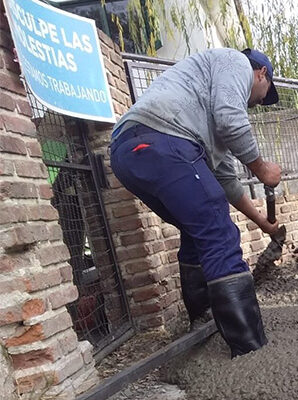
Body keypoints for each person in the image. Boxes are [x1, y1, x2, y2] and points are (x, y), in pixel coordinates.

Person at [110, 48, 282, 357]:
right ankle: (250, 348)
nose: (256, 103)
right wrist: (262, 168)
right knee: (218, 232)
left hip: (127, 153)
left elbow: (227, 183)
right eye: (262, 95)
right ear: (261, 74)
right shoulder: (235, 62)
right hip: (164, 139)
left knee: (198, 228)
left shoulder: (208, 111)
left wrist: (262, 222)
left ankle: (203, 321)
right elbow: (233, 120)